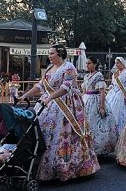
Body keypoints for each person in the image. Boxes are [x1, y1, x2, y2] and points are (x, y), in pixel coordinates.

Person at [19, 44, 99, 181]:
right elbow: (40, 85)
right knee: (43, 133)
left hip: (66, 104)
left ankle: (68, 167)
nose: (49, 56)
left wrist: (50, 97)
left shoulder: (69, 67)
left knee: (65, 135)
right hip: (49, 103)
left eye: (52, 53)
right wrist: (25, 95)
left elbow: (65, 88)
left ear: (60, 53)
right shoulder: (50, 68)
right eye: (49, 53)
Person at [82, 56, 117, 156]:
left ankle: (98, 148)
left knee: (96, 124)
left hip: (95, 100)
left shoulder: (98, 75)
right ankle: (86, 146)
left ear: (95, 64)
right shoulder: (86, 76)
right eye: (86, 63)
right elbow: (84, 90)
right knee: (85, 124)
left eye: (89, 63)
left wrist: (101, 106)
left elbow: (102, 92)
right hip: (86, 100)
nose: (87, 65)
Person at [105, 57, 126, 135]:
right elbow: (112, 83)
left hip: (121, 95)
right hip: (113, 94)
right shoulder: (115, 73)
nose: (116, 65)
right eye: (116, 63)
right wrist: (109, 88)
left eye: (118, 63)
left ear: (122, 63)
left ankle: (121, 132)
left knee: (119, 114)